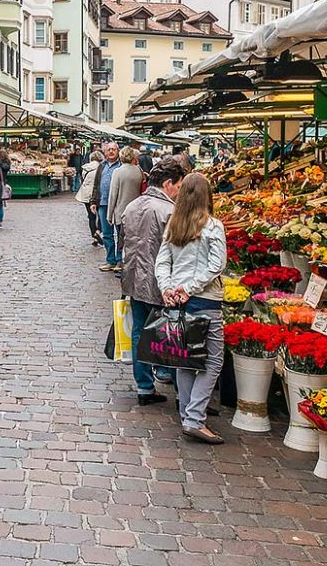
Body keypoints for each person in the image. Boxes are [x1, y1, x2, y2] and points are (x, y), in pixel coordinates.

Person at [155, 172, 228, 445]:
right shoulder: (212, 226)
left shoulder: (175, 225)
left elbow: (162, 262)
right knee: (212, 360)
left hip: (179, 301)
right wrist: (189, 288)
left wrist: (168, 288)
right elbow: (216, 265)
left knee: (185, 358)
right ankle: (195, 418)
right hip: (205, 299)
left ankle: (188, 413)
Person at [120, 158, 187, 404]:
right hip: (161, 283)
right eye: (178, 186)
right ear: (168, 183)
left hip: (134, 279)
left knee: (139, 331)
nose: (179, 192)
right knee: (170, 335)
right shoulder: (169, 211)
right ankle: (180, 390)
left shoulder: (133, 206)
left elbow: (123, 242)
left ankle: (144, 388)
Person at [107, 146, 144, 273]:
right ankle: (131, 261)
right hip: (136, 211)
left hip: (121, 211)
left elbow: (113, 195)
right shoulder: (139, 171)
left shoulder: (117, 172)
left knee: (121, 238)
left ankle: (119, 261)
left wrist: (109, 214)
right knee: (132, 238)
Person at [89, 142, 122, 271]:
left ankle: (120, 261)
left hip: (118, 204)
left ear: (118, 151)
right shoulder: (101, 166)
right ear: (105, 152)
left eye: (114, 149)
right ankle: (110, 261)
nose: (111, 152)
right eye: (109, 150)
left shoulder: (122, 165)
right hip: (103, 204)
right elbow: (96, 185)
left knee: (120, 234)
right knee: (107, 234)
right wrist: (93, 201)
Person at [75, 151, 104, 247]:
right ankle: (99, 231)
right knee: (101, 215)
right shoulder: (102, 167)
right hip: (97, 194)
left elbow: (83, 180)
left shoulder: (85, 168)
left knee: (91, 216)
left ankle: (94, 235)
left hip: (86, 194)